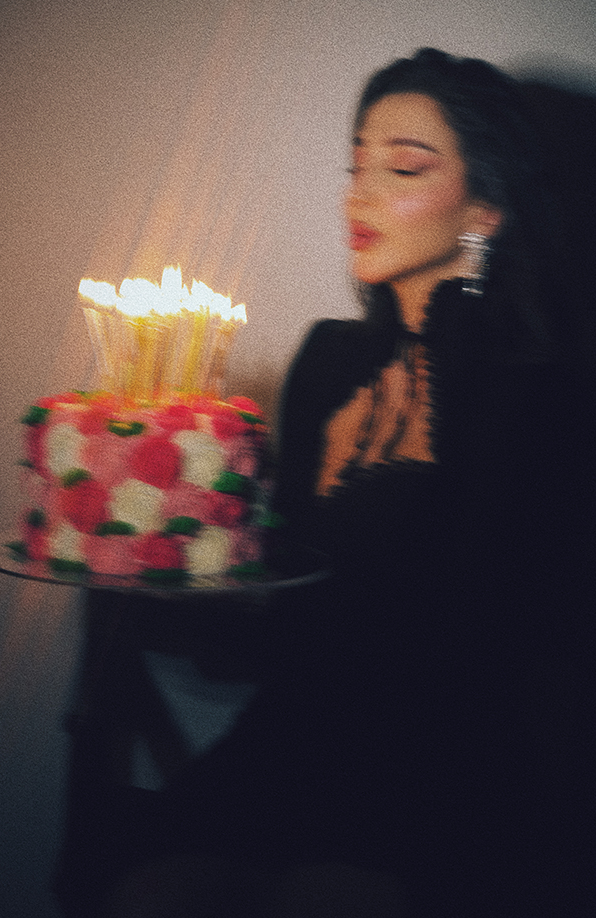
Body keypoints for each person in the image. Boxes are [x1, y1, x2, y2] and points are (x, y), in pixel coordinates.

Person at [74, 50, 596, 917]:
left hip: (448, 767)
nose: (359, 195)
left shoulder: (533, 392)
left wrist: (459, 333)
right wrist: (164, 571)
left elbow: (503, 641)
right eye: (354, 167)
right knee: (151, 891)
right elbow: (291, 608)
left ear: (487, 207)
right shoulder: (329, 361)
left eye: (403, 169)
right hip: (296, 739)